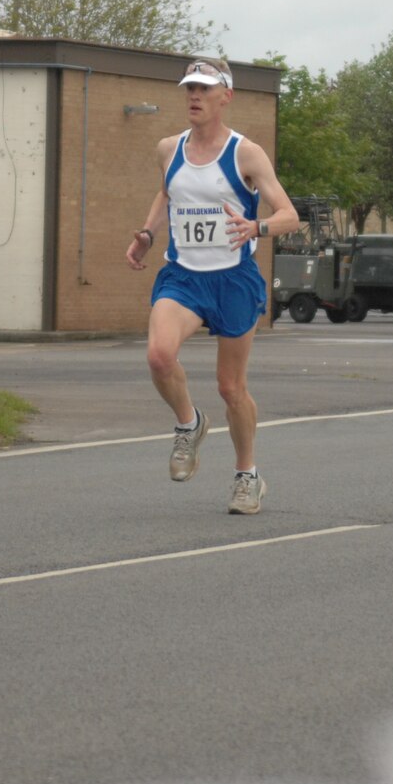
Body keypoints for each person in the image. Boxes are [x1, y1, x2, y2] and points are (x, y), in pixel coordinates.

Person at [126, 57, 299, 514]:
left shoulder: (245, 153)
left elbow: (290, 216)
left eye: (203, 89)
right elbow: (168, 192)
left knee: (231, 388)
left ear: (227, 96)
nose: (194, 97)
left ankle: (247, 476)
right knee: (159, 355)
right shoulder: (169, 148)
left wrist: (257, 228)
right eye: (189, 89)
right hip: (183, 276)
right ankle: (189, 424)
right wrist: (147, 234)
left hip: (232, 279)